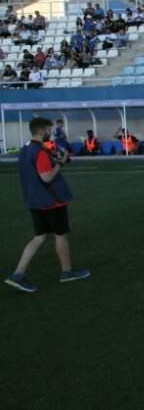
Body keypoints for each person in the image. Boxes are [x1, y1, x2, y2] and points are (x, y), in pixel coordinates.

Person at [5, 117, 90, 293]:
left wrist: (58, 159)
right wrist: (59, 163)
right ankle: (67, 272)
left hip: (35, 201)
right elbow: (47, 177)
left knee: (39, 236)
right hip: (51, 202)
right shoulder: (39, 151)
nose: (50, 133)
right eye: (49, 130)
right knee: (60, 235)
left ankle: (18, 273)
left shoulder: (26, 149)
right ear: (42, 130)